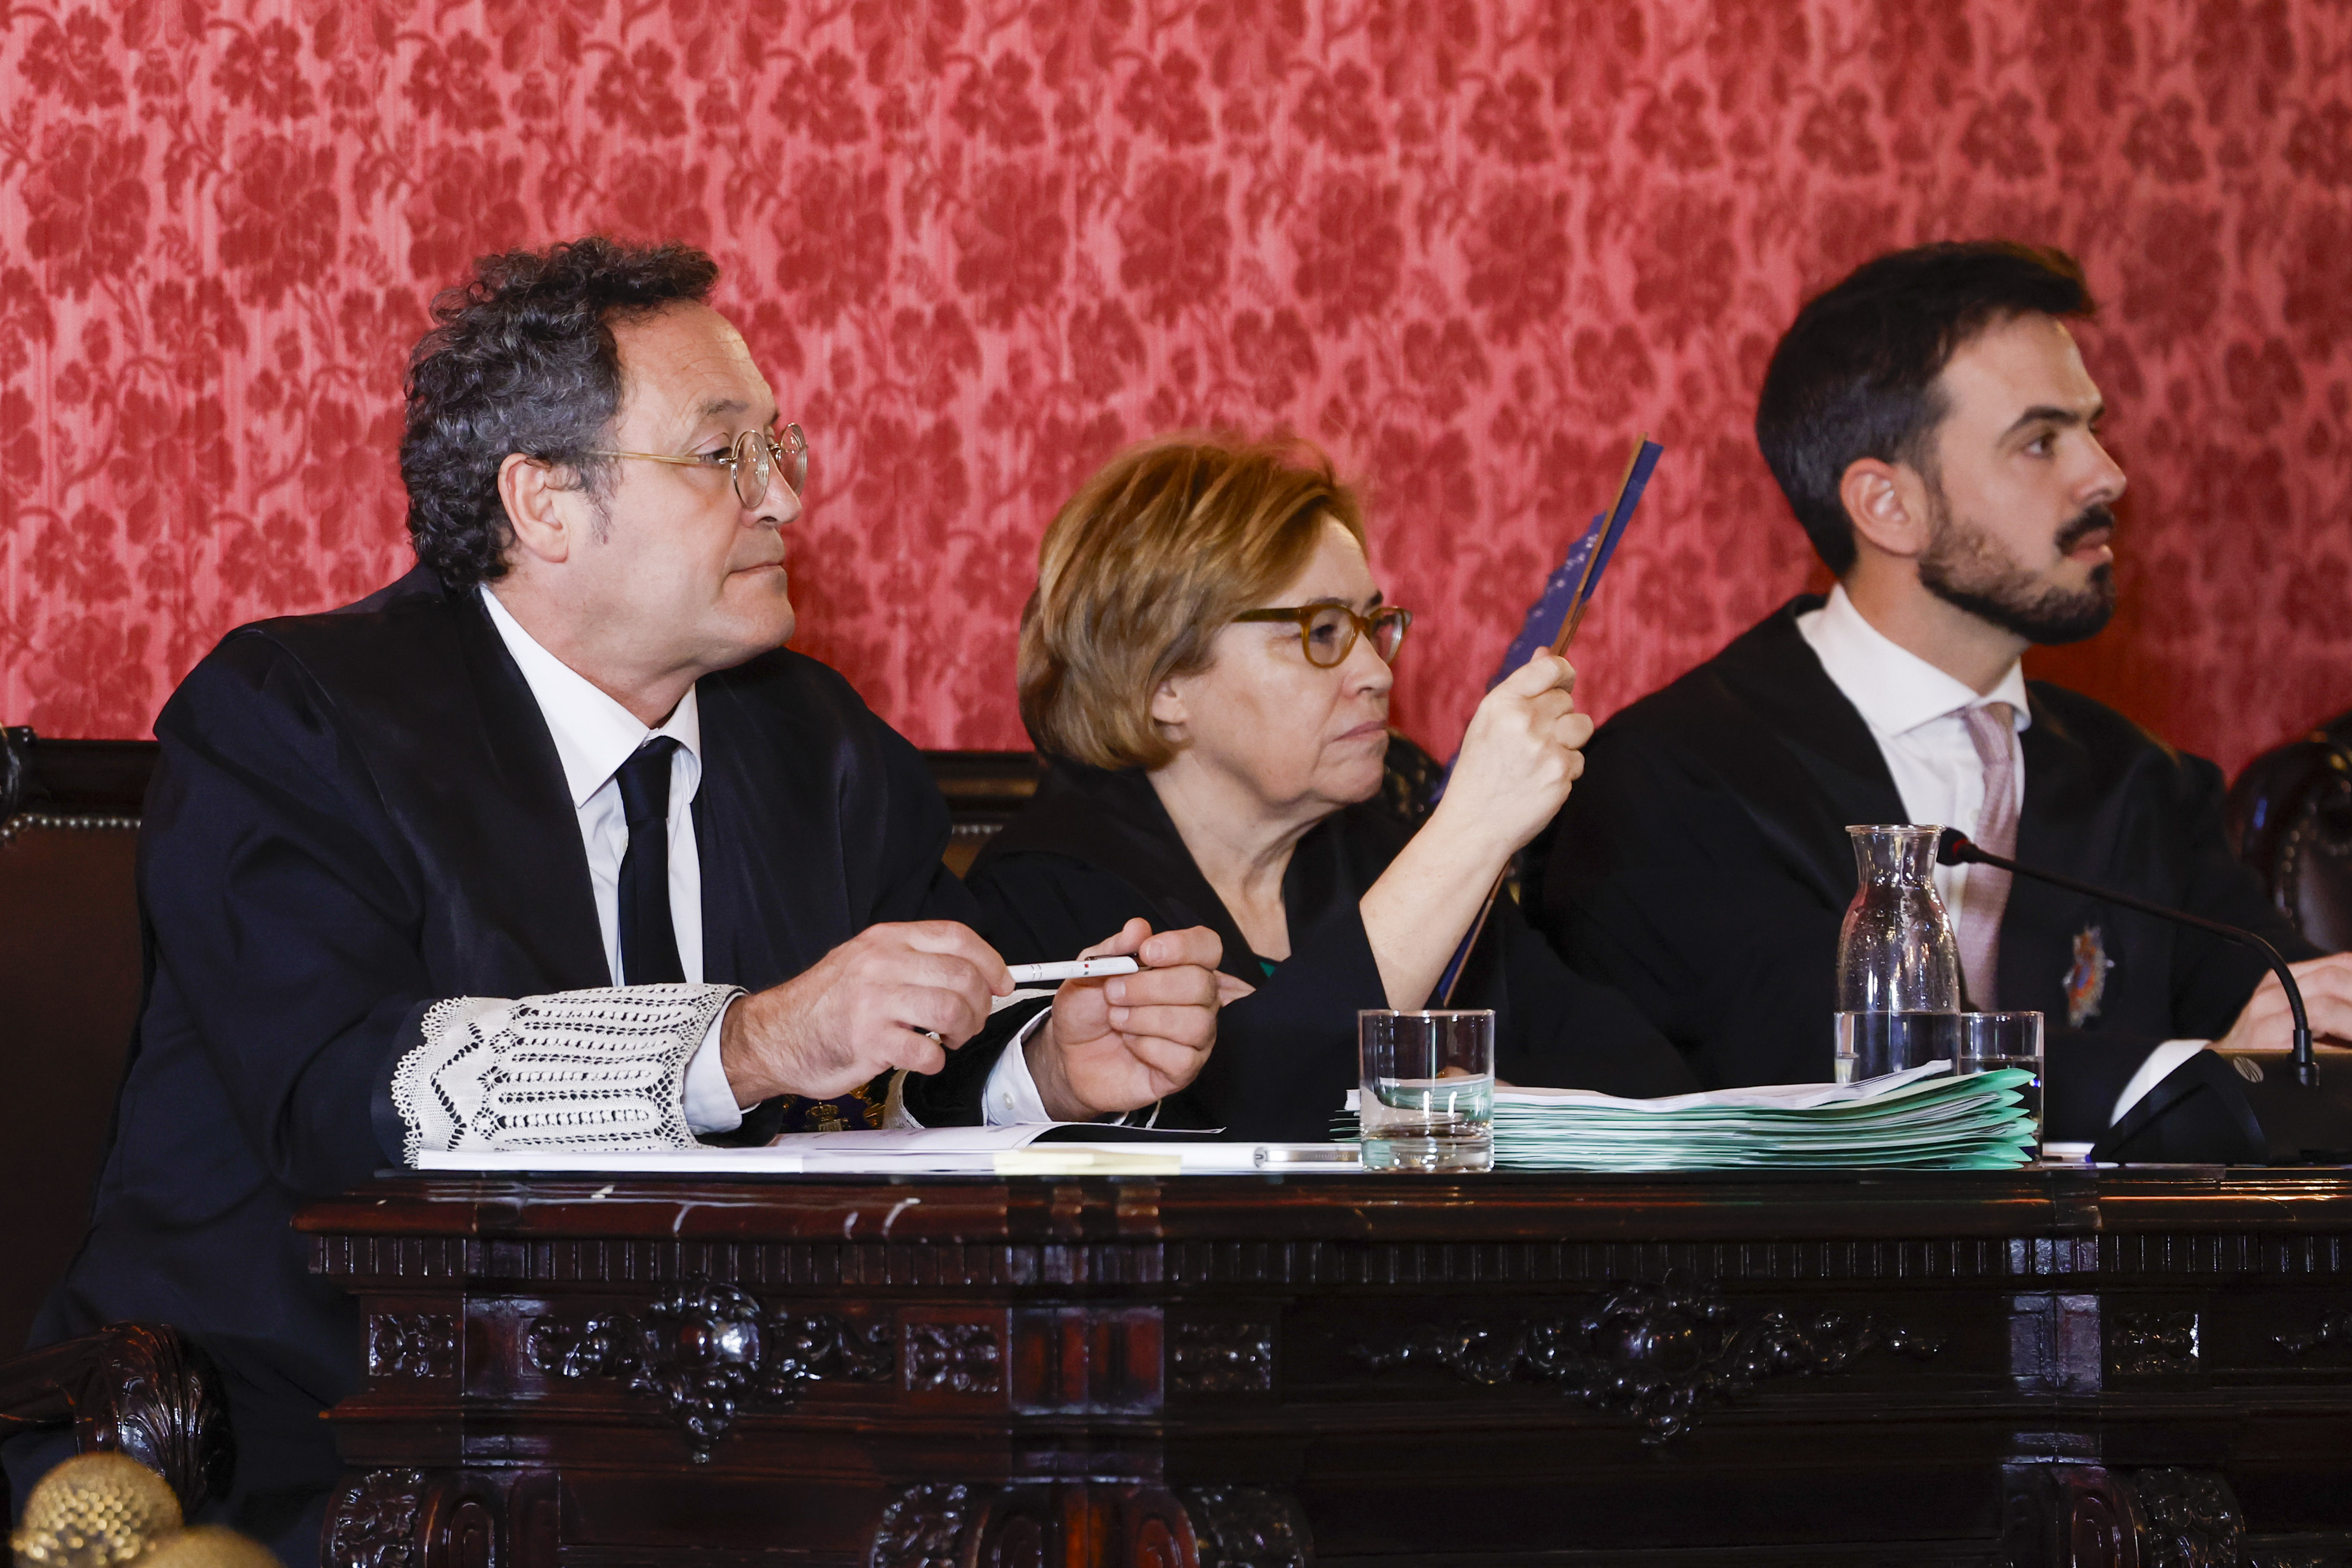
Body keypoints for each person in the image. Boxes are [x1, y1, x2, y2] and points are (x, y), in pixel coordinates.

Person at [7, 239, 1223, 1561]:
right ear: (543, 505)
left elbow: (907, 1073)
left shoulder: (815, 747)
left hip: (719, 1441)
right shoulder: (299, 722)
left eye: (780, 451)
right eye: (721, 457)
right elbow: (350, 1096)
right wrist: (745, 1042)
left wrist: (1046, 1065)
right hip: (326, 1437)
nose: (782, 503)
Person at [1533, 240, 2352, 1139]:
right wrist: (2191, 1074)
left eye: (2093, 427)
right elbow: (1839, 1093)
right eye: (2041, 441)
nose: (2107, 475)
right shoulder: (1668, 782)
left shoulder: (2139, 779)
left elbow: (2294, 1009)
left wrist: (2304, 1031)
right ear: (1890, 506)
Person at [964, 436, 1700, 1141]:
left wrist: (1455, 1094)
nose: (1378, 674)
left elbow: (1648, 1083)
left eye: (1372, 625)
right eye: (1319, 633)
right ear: (1164, 683)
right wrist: (1470, 832)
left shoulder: (1379, 852)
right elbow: (1232, 1123)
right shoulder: (1046, 890)